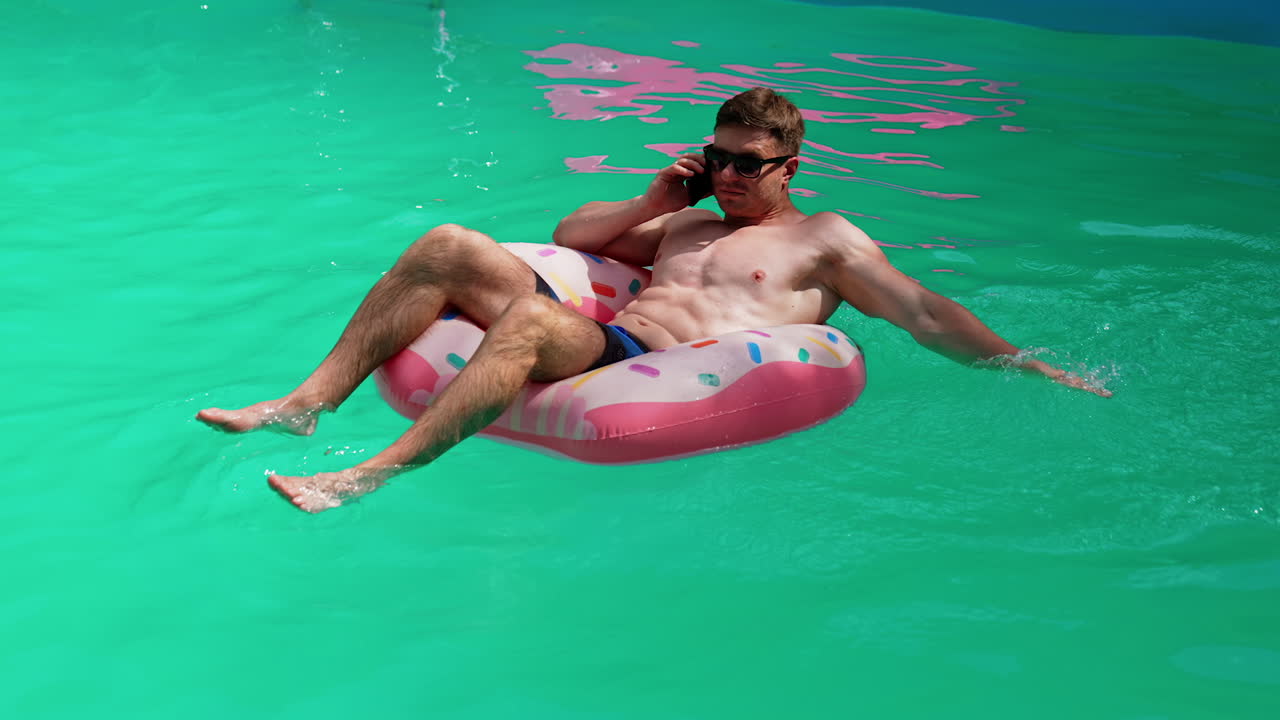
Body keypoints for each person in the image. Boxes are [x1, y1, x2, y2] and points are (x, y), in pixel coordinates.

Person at [197, 87, 1109, 513]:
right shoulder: (686, 222)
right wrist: (657, 200)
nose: (728, 175)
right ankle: (306, 406)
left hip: (658, 369)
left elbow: (923, 313)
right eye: (717, 156)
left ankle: (368, 475)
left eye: (747, 165)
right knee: (446, 246)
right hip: (607, 340)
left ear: (791, 167)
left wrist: (1027, 365)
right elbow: (575, 233)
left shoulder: (823, 240)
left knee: (527, 321)